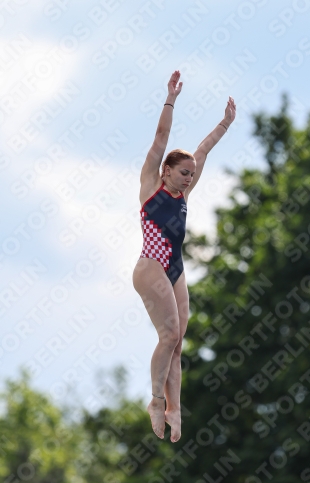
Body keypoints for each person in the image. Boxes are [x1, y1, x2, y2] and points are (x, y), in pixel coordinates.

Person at [132, 70, 236, 442]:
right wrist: (171, 98)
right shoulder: (150, 185)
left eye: (192, 174)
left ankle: (176, 409)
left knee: (178, 342)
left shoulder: (184, 196)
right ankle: (157, 400)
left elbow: (203, 150)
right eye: (183, 173)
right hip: (149, 266)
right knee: (169, 333)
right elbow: (161, 138)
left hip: (174, 269)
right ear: (167, 171)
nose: (190, 178)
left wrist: (224, 123)